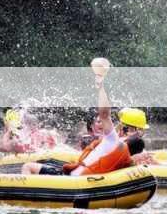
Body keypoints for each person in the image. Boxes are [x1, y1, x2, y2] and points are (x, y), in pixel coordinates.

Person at [21, 69, 150, 175]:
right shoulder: (126, 161)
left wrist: (100, 86)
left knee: (28, 166)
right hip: (82, 177)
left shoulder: (113, 141)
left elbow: (105, 114)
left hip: (74, 177)